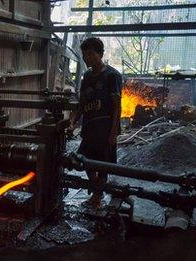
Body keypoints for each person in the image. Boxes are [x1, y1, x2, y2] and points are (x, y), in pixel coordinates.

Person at [68, 37, 122, 208]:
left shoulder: (112, 76)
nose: (87, 58)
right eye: (85, 55)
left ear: (100, 54)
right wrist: (72, 122)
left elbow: (117, 107)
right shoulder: (87, 76)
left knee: (103, 164)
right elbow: (82, 103)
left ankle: (97, 197)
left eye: (91, 54)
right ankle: (97, 192)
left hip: (106, 129)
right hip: (90, 127)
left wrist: (113, 133)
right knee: (86, 161)